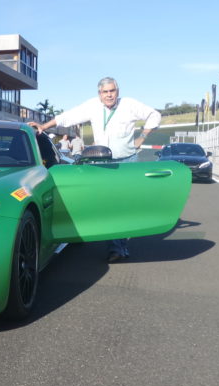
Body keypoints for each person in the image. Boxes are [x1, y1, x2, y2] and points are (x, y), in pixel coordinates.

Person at [29, 77, 161, 263]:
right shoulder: (92, 106)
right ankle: (116, 248)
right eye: (105, 92)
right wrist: (44, 126)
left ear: (117, 91)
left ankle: (120, 244)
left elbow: (154, 115)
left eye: (112, 91)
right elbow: (68, 116)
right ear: (99, 94)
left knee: (124, 204)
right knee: (109, 204)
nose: (109, 95)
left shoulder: (129, 104)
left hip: (127, 161)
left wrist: (143, 137)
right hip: (103, 162)